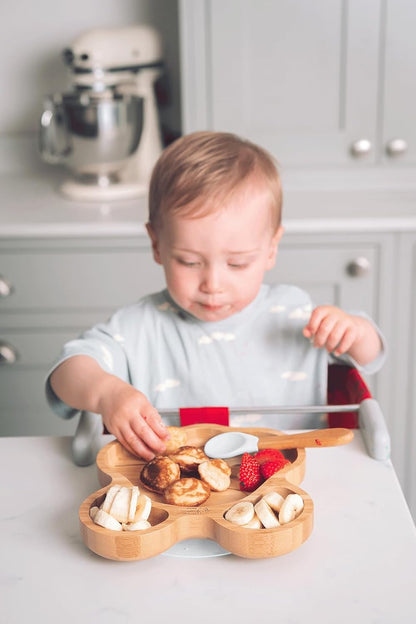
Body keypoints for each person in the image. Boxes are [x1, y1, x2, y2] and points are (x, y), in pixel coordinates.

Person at [46, 131, 385, 461]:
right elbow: (66, 372)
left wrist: (353, 330)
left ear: (271, 248)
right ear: (156, 244)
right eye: (189, 261)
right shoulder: (138, 328)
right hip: (177, 500)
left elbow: (370, 355)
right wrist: (108, 393)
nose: (212, 283)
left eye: (237, 263)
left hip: (285, 492)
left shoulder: (294, 313)